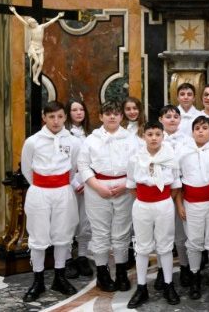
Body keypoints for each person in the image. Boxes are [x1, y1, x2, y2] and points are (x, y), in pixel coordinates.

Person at [21, 101, 82, 302]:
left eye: (60, 116)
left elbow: (73, 167)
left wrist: (60, 183)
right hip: (39, 191)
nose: (56, 121)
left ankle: (59, 277)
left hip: (63, 191)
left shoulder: (73, 141)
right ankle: (38, 280)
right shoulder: (33, 141)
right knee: (38, 237)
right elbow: (27, 169)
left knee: (63, 235)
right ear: (44, 117)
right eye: (51, 117)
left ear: (65, 117)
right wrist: (42, 185)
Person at [77, 100, 139, 292]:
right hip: (97, 188)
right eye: (108, 113)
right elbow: (83, 165)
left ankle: (121, 272)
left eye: (116, 113)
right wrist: (96, 186)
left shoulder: (132, 139)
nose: (112, 116)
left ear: (121, 116)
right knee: (100, 232)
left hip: (125, 187)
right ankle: (102, 274)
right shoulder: (91, 140)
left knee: (121, 232)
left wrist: (126, 184)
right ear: (100, 116)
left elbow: (139, 163)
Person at [126, 121, 181, 308]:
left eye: (158, 134)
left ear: (163, 136)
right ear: (144, 136)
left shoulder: (171, 156)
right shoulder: (135, 158)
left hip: (164, 204)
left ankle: (168, 284)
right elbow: (132, 185)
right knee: (142, 247)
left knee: (165, 246)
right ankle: (141, 288)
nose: (154, 138)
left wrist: (162, 200)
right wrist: (145, 199)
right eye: (150, 134)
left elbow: (174, 186)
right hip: (142, 205)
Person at [175, 116, 209, 300]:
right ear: (192, 131)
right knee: (194, 242)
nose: (201, 131)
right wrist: (179, 204)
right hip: (191, 203)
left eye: (205, 128)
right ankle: (195, 277)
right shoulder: (183, 151)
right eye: (197, 128)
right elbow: (176, 181)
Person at [158, 104, 195, 287]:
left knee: (181, 234)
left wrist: (178, 197)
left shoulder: (188, 141)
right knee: (161, 233)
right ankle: (160, 271)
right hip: (160, 193)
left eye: (175, 116)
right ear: (161, 120)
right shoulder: (156, 139)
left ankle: (185, 267)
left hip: (180, 193)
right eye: (168, 116)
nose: (172, 119)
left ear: (180, 120)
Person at [63, 99, 93, 279]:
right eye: (74, 110)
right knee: (67, 221)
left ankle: (82, 256)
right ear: (68, 113)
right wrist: (74, 182)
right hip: (69, 184)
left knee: (85, 221)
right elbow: (64, 163)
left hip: (87, 184)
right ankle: (66, 258)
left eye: (82, 109)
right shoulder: (64, 135)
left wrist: (87, 181)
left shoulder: (90, 134)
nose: (79, 113)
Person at [9, 6, 64, 85]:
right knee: (37, 61)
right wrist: (14, 12)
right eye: (31, 23)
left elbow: (50, 22)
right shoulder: (30, 28)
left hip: (40, 48)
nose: (32, 24)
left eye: (33, 22)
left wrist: (58, 16)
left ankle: (35, 78)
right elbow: (21, 20)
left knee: (41, 64)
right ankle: (34, 76)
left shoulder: (41, 27)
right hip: (33, 47)